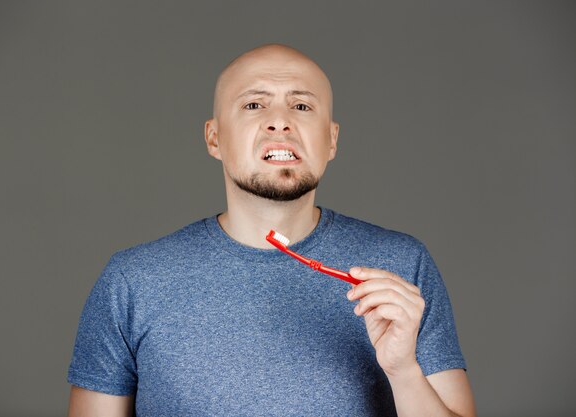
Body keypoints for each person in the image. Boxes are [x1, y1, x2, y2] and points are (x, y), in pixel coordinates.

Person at [67, 44, 476, 417]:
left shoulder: (403, 266)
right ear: (214, 137)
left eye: (301, 107)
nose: (279, 121)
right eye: (253, 105)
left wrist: (403, 371)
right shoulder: (131, 282)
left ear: (331, 140)